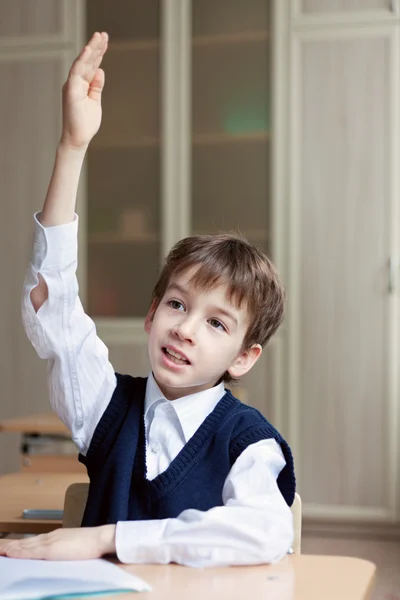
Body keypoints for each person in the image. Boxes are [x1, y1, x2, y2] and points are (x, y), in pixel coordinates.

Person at [0, 32, 295, 566]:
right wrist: (72, 146)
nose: (185, 329)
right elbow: (53, 305)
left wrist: (108, 537)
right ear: (151, 313)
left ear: (245, 356)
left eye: (218, 325)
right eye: (178, 305)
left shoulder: (248, 442)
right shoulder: (105, 408)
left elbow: (266, 532)